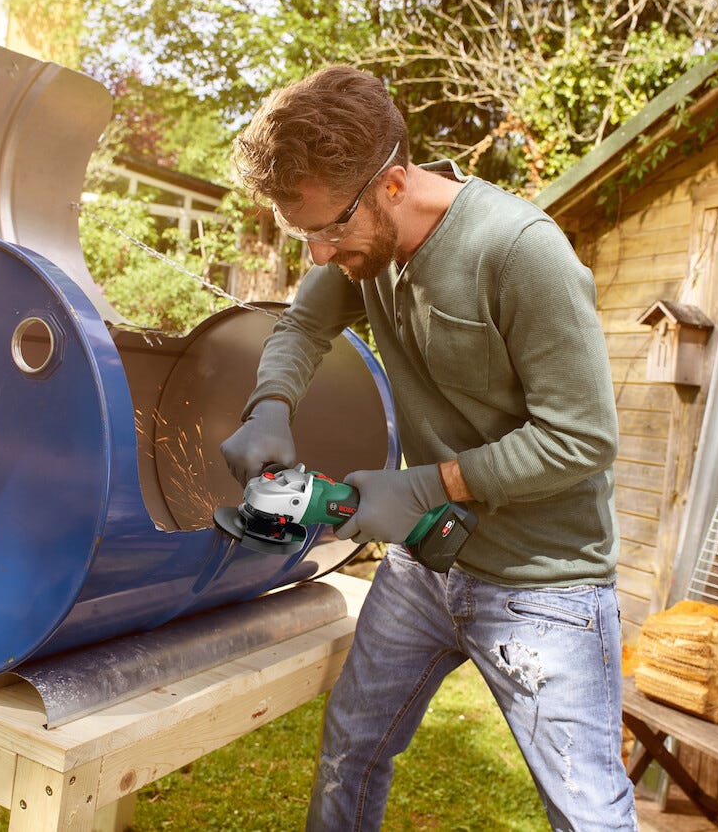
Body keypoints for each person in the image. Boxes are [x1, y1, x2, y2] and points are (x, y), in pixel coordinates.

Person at [220, 65, 637, 831]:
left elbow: (581, 438)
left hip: (544, 586)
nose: (319, 255)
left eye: (328, 229)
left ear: (392, 184)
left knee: (587, 813)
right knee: (352, 751)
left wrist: (427, 485)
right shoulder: (368, 250)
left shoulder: (518, 251)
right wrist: (270, 406)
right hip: (427, 563)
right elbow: (304, 325)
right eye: (304, 235)